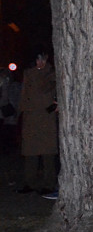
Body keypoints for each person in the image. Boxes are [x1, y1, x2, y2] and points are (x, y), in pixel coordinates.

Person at [17, 51, 58, 195]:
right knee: (30, 152)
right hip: (31, 116)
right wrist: (21, 112)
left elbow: (51, 88)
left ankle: (49, 183)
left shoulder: (52, 73)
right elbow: (24, 94)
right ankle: (30, 182)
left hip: (46, 116)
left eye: (42, 59)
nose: (40, 63)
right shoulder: (28, 73)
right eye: (37, 59)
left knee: (48, 153)